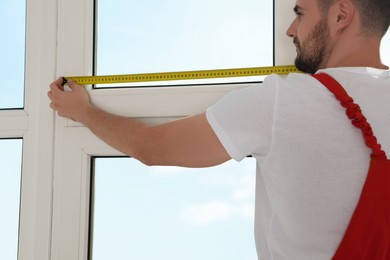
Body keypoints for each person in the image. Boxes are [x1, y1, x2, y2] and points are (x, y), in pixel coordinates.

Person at [48, 0, 390, 258]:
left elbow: (153, 147)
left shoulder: (281, 101)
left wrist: (82, 111)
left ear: (341, 16)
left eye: (300, 13)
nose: (289, 30)